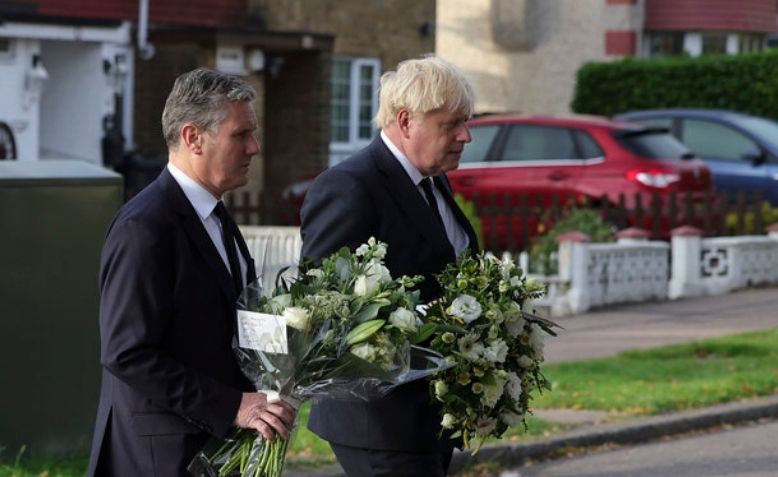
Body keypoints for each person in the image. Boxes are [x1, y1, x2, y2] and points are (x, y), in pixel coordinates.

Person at [87, 68, 296, 476]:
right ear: (192, 137)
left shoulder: (216, 216)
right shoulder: (145, 226)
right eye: (241, 135)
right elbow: (127, 353)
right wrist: (233, 405)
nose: (254, 148)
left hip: (214, 448)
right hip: (160, 457)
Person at [300, 55, 479, 476]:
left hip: (427, 413)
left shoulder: (433, 179)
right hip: (378, 419)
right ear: (406, 121)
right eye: (451, 124)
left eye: (465, 122)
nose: (465, 136)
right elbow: (324, 306)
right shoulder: (349, 186)